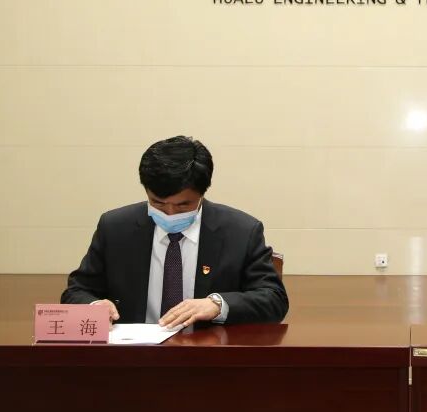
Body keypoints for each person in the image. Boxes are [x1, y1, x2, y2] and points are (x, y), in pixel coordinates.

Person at [62, 135, 288, 328]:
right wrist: (94, 306)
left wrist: (217, 305)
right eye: (158, 203)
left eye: (183, 205)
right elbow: (77, 291)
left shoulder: (241, 231)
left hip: (207, 355)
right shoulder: (115, 227)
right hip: (134, 355)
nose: (169, 213)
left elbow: (274, 299)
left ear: (201, 194)